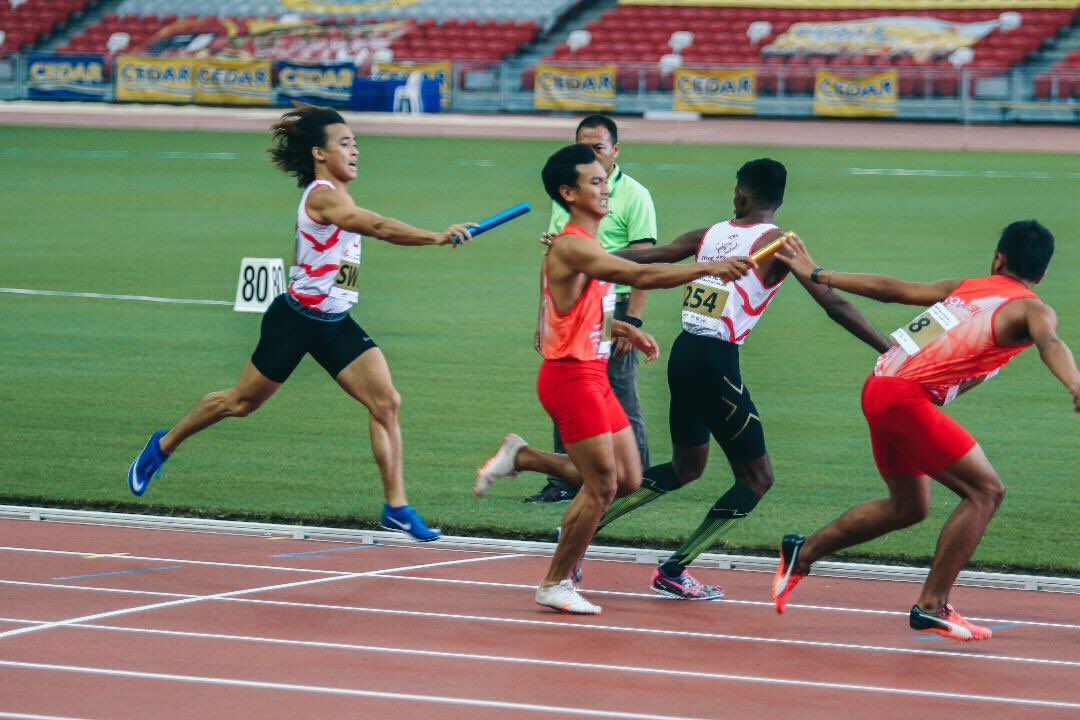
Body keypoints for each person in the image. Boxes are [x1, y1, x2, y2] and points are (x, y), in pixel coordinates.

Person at [510, 158, 891, 600]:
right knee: (757, 479)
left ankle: (576, 541)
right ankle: (673, 569)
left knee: (685, 468)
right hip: (716, 363)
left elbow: (646, 257)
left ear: (740, 195)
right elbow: (835, 304)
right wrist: (886, 350)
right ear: (778, 199)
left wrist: (585, 254)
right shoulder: (781, 244)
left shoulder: (708, 235)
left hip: (685, 355)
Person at [126, 104, 477, 542]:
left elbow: (317, 248)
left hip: (333, 321)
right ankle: (163, 444)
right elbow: (379, 226)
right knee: (240, 403)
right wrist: (438, 235)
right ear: (318, 153)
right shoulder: (323, 195)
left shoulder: (337, 196)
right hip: (296, 321)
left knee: (386, 402)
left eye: (356, 143)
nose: (355, 151)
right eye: (344, 144)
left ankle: (397, 507)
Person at [474, 143, 756, 614]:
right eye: (595, 182)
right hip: (569, 378)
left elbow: (589, 307)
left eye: (606, 180)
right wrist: (707, 266)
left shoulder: (590, 246)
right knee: (601, 485)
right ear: (568, 192)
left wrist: (625, 329)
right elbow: (633, 273)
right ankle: (554, 582)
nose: (606, 188)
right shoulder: (572, 244)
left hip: (593, 372)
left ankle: (524, 456)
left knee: (626, 478)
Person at [770, 221, 1079, 641]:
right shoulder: (1034, 309)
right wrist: (1075, 383)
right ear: (1041, 275)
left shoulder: (965, 287)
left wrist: (820, 273)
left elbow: (889, 288)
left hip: (879, 386)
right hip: (903, 399)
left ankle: (801, 553)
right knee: (986, 492)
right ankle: (932, 606)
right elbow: (1051, 344)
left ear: (998, 258)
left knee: (908, 506)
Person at [525, 115, 658, 505]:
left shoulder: (633, 195)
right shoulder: (571, 192)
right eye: (584, 146)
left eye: (597, 147)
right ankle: (566, 479)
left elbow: (645, 263)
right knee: (572, 391)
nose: (590, 153)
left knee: (619, 389)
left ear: (615, 150)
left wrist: (632, 319)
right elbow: (554, 256)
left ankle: (638, 477)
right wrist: (543, 315)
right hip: (575, 302)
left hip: (612, 298)